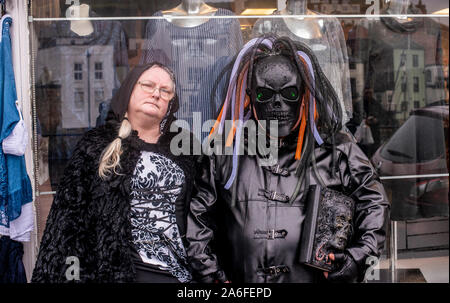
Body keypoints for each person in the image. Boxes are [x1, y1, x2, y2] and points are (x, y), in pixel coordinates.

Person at [186, 36, 390, 283]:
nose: (277, 103)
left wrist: (357, 257)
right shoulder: (226, 152)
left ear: (304, 93)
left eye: (289, 93)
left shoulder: (336, 148)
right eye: (265, 95)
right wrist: (211, 275)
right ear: (251, 96)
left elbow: (373, 202)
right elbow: (199, 218)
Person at [31, 62, 197, 283]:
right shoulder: (96, 145)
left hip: (178, 275)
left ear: (171, 103)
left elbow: (203, 217)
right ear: (129, 90)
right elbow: (66, 224)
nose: (156, 93)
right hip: (114, 273)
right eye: (148, 85)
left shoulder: (186, 148)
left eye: (165, 90)